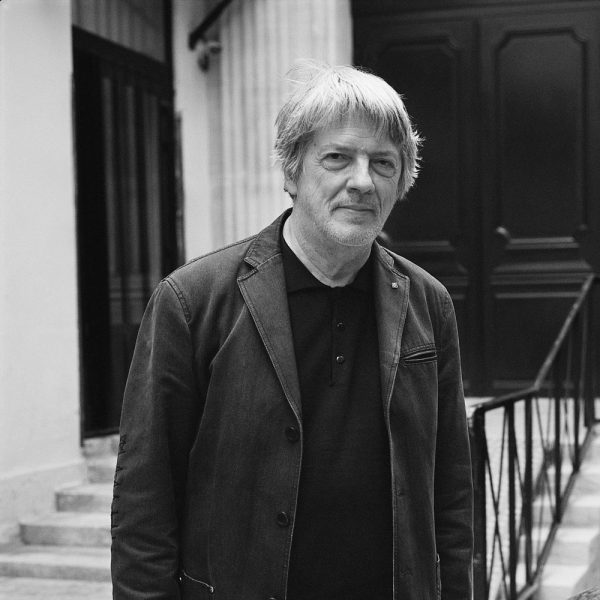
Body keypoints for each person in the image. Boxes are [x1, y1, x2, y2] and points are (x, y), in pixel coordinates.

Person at [111, 61, 473, 600]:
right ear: (291, 171)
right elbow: (144, 501)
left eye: (383, 163)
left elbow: (452, 495)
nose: (362, 181)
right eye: (337, 158)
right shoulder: (192, 302)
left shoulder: (429, 303)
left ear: (401, 182)